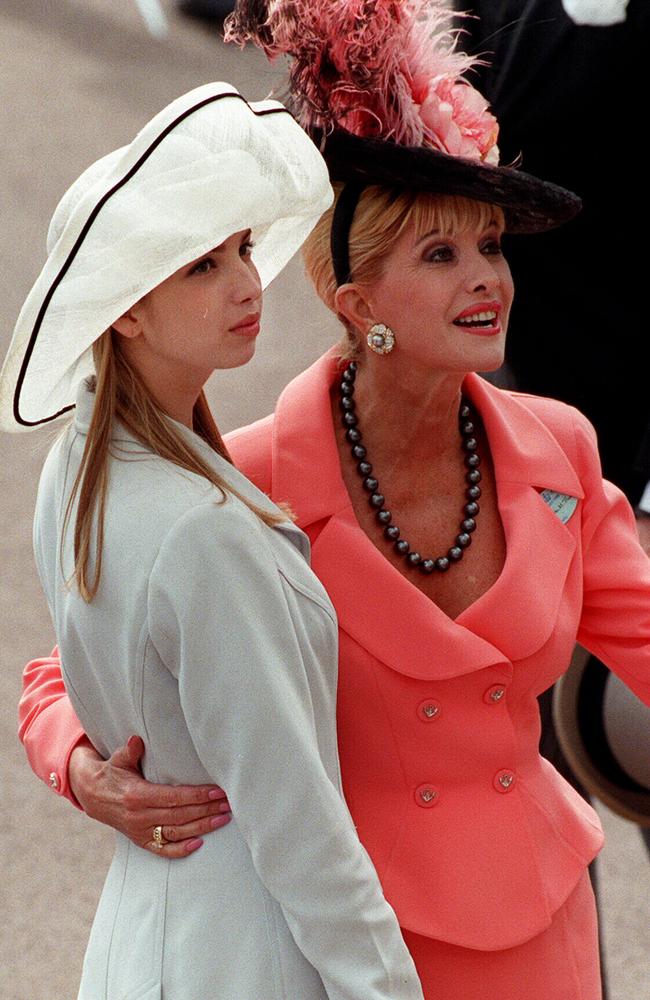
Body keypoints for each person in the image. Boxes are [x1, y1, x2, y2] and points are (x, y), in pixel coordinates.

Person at [15, 4, 650, 998]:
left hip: (542, 932)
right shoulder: (250, 485)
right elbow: (63, 672)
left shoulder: (557, 453)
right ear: (355, 304)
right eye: (440, 256)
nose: (487, 280)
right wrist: (87, 772)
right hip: (354, 945)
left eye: (491, 247)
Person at [1, 82, 425, 1000]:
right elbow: (299, 827)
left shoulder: (71, 467)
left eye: (240, 249)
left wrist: (80, 765)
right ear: (126, 309)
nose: (245, 283)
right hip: (244, 953)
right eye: (201, 266)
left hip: (137, 941)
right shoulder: (203, 536)